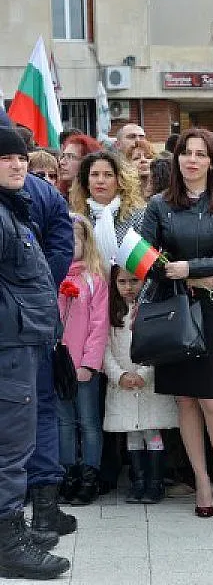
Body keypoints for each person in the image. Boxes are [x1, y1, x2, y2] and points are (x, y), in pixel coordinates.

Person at [141, 128, 213, 518]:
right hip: (175, 309)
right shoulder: (158, 205)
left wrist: (194, 268)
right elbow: (145, 259)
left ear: (212, 161)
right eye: (186, 153)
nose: (193, 160)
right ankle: (201, 479)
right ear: (177, 159)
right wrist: (188, 276)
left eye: (201, 154)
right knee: (185, 398)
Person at [0, 128, 70, 579]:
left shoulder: (13, 209)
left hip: (21, 343)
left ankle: (11, 530)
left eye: (20, 156)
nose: (18, 164)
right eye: (6, 158)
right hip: (8, 347)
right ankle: (9, 544)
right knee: (10, 447)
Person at [21, 171, 76, 543]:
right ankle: (43, 511)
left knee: (38, 409)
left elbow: (61, 248)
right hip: (36, 317)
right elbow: (61, 251)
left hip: (32, 317)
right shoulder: (45, 193)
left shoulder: (42, 194)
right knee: (41, 408)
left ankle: (41, 509)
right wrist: (39, 290)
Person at [102, 265, 177, 504]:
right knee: (132, 432)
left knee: (151, 429)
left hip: (148, 383)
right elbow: (104, 350)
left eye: (134, 281)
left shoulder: (151, 310)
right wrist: (119, 375)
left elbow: (160, 345)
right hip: (122, 383)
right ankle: (138, 481)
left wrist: (144, 374)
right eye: (122, 282)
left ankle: (155, 482)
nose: (128, 287)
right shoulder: (111, 313)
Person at [56, 216, 109, 506]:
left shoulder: (93, 279)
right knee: (63, 422)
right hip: (58, 365)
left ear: (86, 242)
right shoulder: (53, 276)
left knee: (88, 422)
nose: (69, 244)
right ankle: (68, 473)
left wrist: (89, 363)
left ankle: (90, 475)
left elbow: (98, 326)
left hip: (84, 366)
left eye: (74, 238)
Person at [69, 150, 146, 269]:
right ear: (86, 182)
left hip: (129, 284)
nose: (100, 180)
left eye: (108, 175)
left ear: (120, 181)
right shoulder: (77, 218)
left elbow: (145, 263)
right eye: (94, 174)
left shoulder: (137, 215)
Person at [57, 134, 102, 199]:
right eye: (63, 156)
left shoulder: (99, 200)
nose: (62, 162)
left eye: (70, 157)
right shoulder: (58, 195)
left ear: (87, 162)